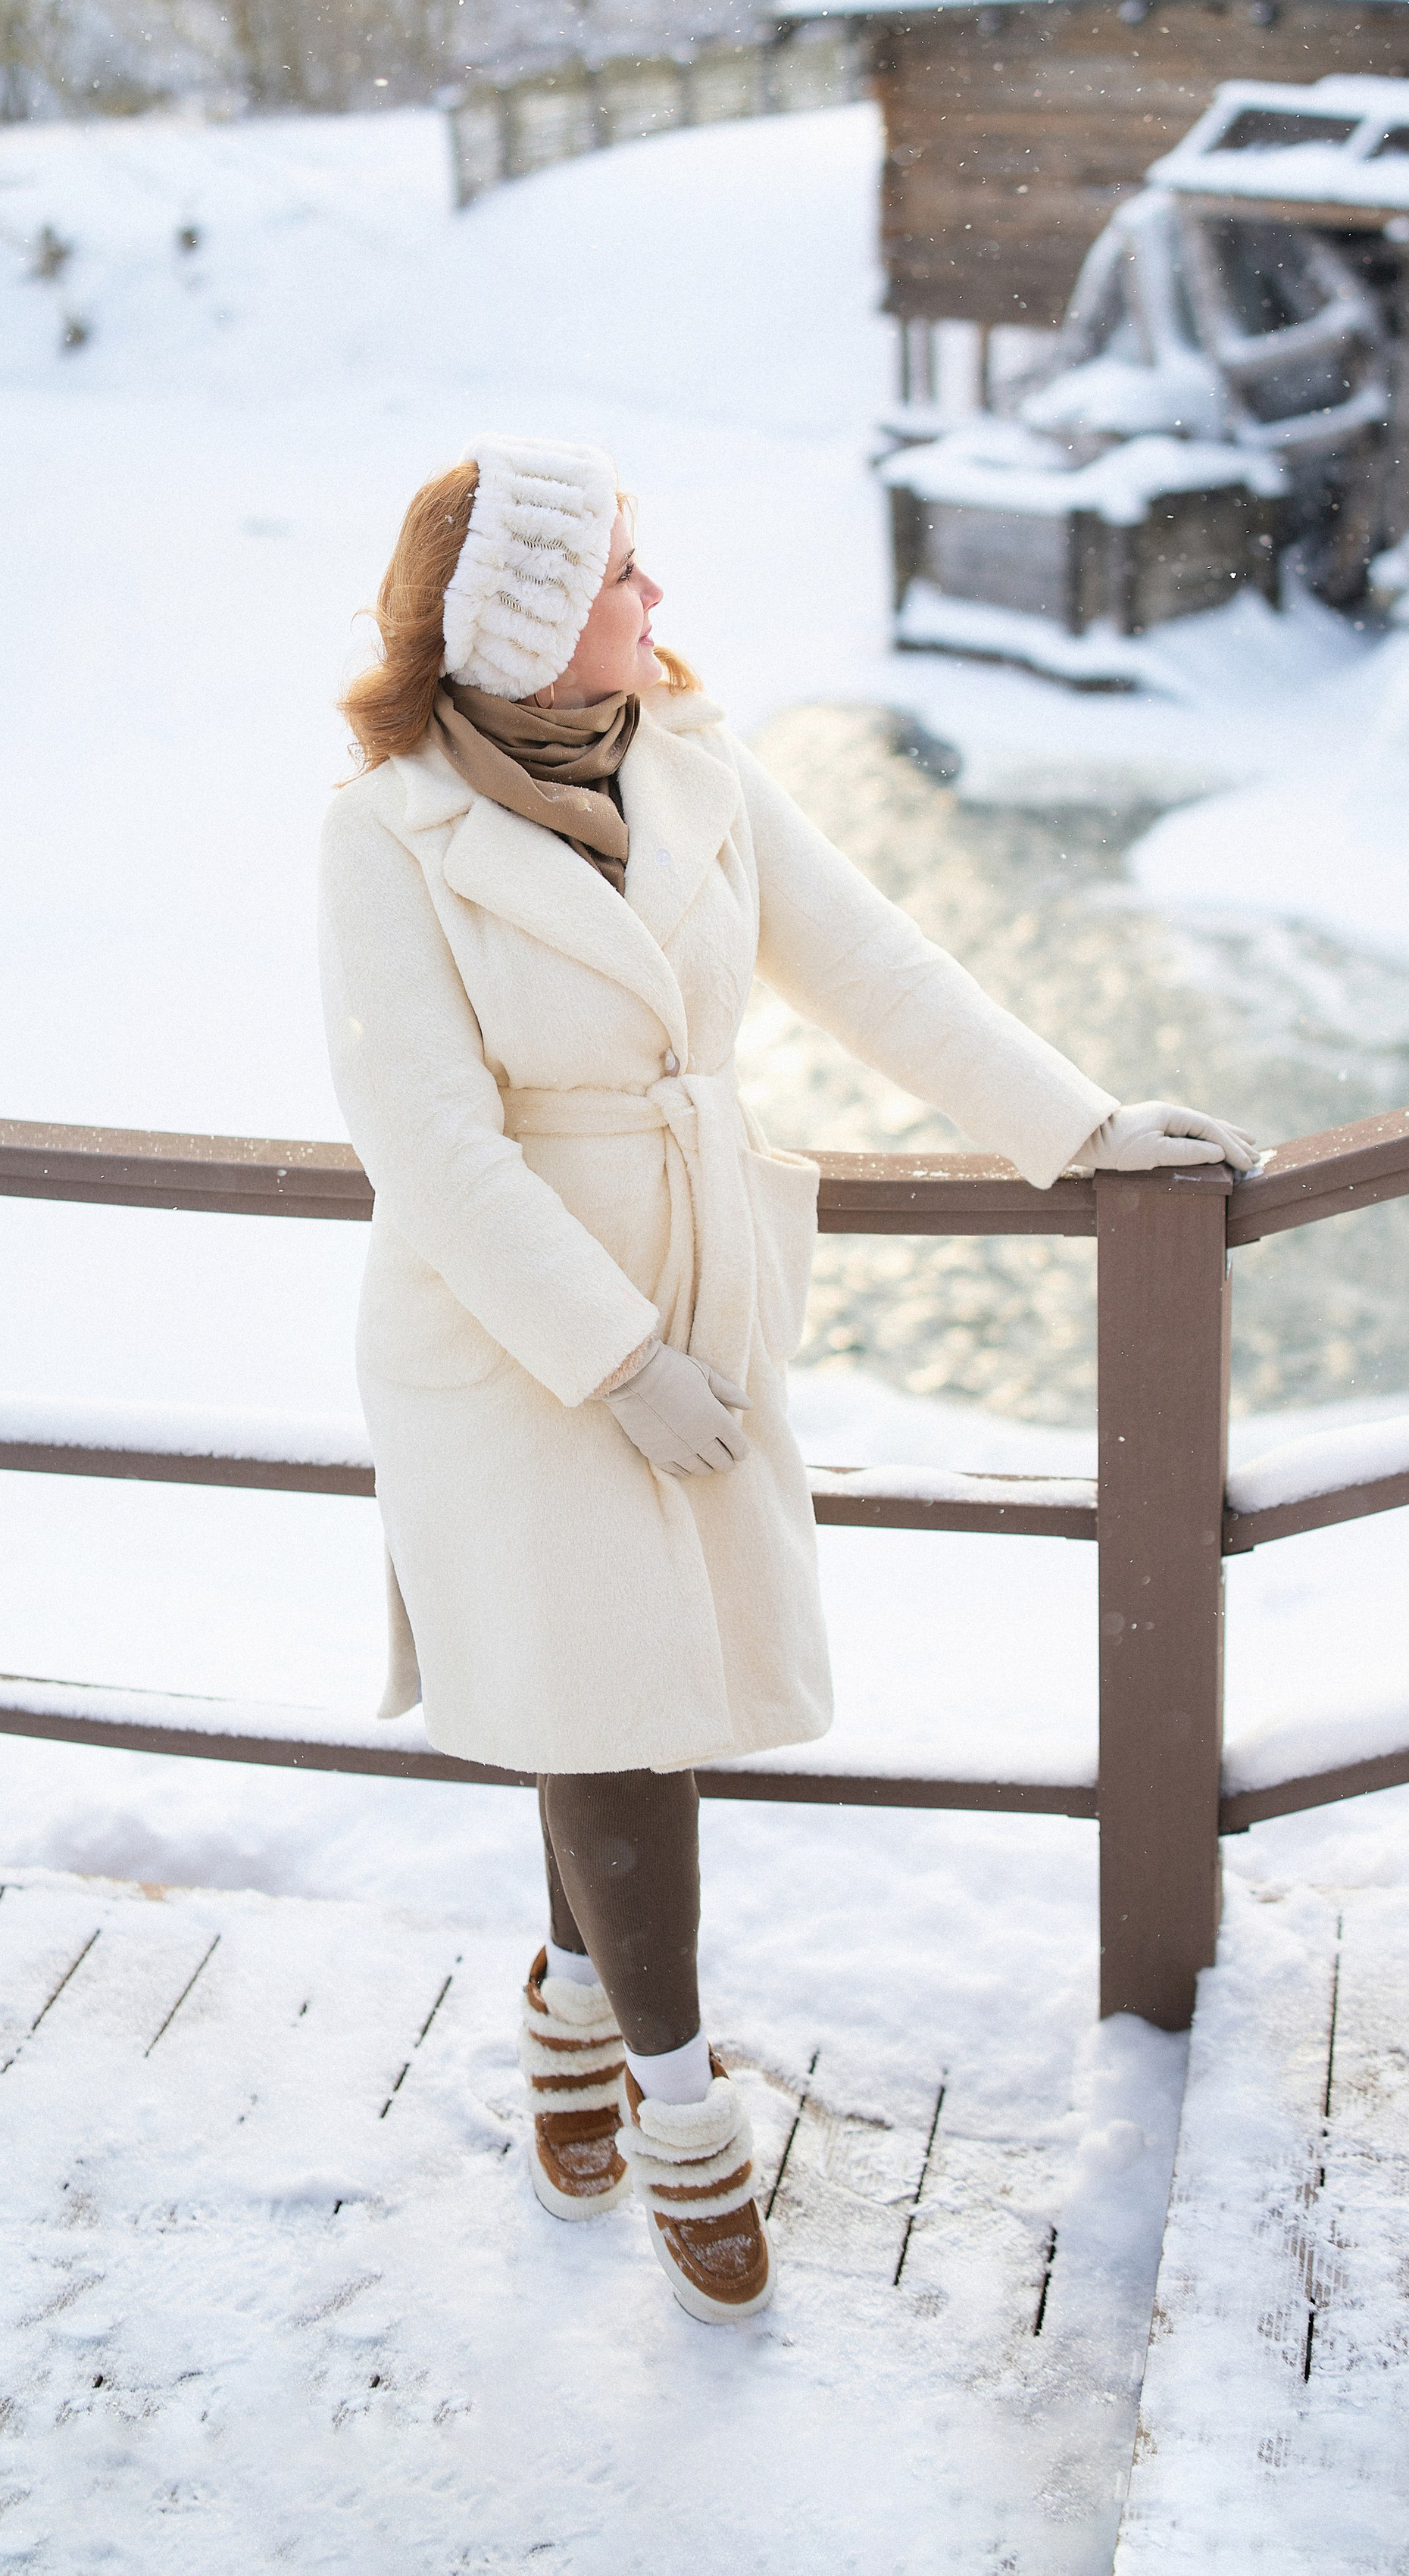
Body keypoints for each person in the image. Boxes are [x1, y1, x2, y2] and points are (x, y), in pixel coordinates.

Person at [318, 435, 1257, 2327]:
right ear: (518, 618)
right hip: (509, 1337)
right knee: (606, 1705)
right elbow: (426, 1141)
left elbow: (879, 970)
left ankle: (574, 2004)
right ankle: (683, 2114)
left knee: (619, 1686)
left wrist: (1074, 1129)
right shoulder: (386, 828)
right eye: (617, 578)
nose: (654, 603)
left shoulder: (696, 764)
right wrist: (612, 1358)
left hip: (704, 1293)